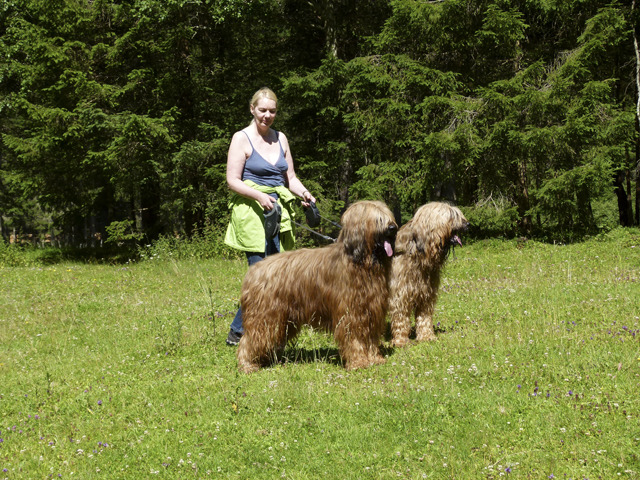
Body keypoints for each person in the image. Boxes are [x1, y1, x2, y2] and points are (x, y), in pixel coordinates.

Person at [224, 87, 316, 345]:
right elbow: (232, 180)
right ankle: (242, 333)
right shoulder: (241, 138)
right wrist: (259, 196)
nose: (267, 115)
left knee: (279, 276)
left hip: (278, 214)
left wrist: (304, 194)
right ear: (252, 109)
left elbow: (291, 179)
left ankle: (260, 331)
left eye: (272, 111)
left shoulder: (281, 138)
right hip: (252, 213)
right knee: (261, 277)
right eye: (262, 110)